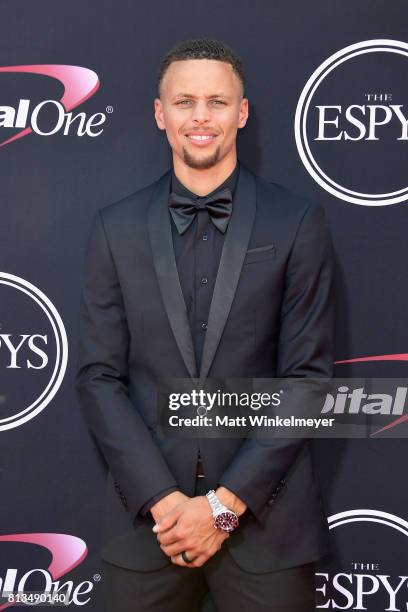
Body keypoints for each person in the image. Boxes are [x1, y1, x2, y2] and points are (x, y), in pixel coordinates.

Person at [75, 38, 334, 611]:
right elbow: (98, 377)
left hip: (268, 530)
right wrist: (168, 505)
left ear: (241, 113)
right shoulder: (114, 229)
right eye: (185, 101)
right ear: (159, 113)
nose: (200, 117)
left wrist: (222, 508)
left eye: (217, 102)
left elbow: (307, 381)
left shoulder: (297, 223)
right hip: (148, 532)